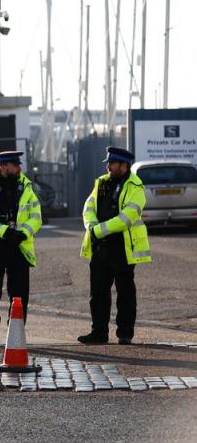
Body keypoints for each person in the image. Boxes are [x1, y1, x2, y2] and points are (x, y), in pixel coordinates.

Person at [78, 146, 151, 345]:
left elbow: (126, 219)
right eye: (108, 163)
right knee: (98, 292)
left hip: (123, 248)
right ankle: (99, 332)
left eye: (112, 163)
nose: (108, 167)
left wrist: (98, 229)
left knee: (125, 292)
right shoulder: (101, 183)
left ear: (124, 165)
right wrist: (91, 226)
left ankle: (125, 333)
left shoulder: (135, 187)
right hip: (100, 247)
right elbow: (88, 207)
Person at [0, 150, 43, 347]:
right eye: (15, 165)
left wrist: (22, 233)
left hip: (19, 247)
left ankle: (17, 333)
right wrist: (4, 231)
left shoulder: (26, 187)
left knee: (19, 294)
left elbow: (36, 216)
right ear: (3, 167)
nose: (20, 168)